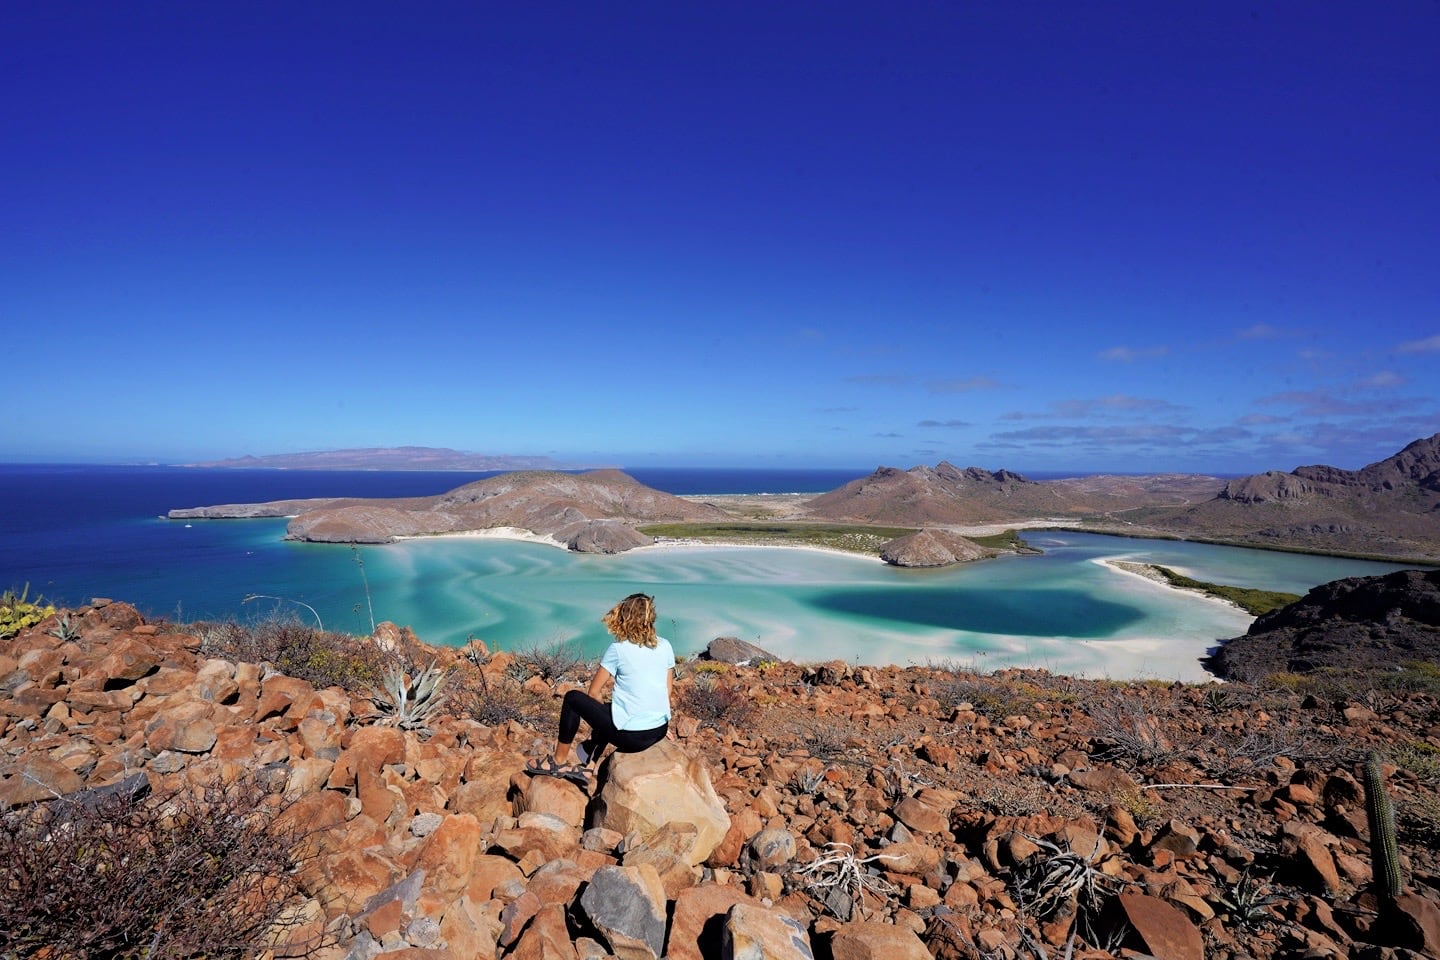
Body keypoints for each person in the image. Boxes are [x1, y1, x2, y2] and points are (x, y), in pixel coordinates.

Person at [525, 592, 673, 786]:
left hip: (631, 738)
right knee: (612, 710)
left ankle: (558, 761)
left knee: (572, 698)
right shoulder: (665, 645)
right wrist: (656, 721)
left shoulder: (619, 649)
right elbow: (667, 691)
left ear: (624, 618)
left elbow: (594, 692)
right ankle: (589, 766)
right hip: (659, 730)